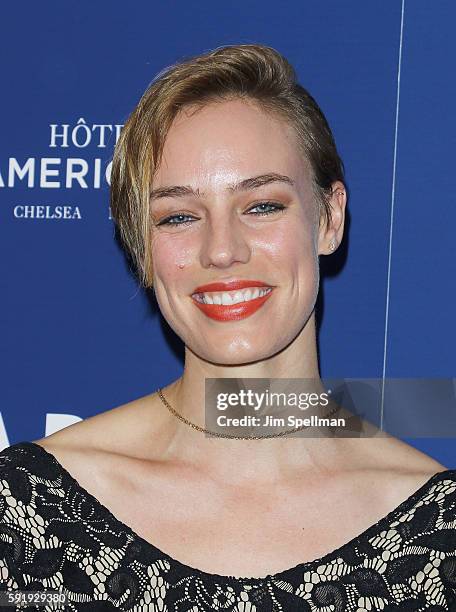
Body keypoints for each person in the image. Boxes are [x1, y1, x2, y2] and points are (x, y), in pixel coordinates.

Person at [1, 44, 455, 611]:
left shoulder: (440, 533)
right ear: (142, 247)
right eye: (180, 216)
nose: (221, 251)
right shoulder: (25, 510)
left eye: (262, 206)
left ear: (329, 219)